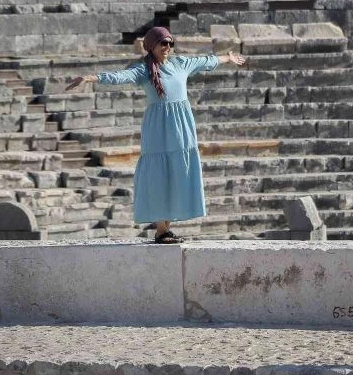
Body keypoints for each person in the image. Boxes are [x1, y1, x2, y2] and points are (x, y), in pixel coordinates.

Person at [66, 26, 246, 243]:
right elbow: (120, 76)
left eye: (170, 43)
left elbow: (206, 61)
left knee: (178, 170)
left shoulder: (180, 64)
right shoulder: (143, 69)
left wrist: (227, 57)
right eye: (163, 43)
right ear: (152, 46)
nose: (167, 47)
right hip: (158, 126)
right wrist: (90, 77)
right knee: (160, 173)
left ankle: (166, 228)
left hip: (182, 125)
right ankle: (160, 229)